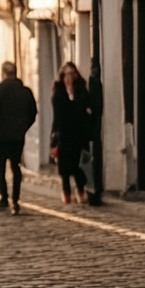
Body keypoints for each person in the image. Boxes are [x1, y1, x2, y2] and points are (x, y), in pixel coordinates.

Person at [0, 61, 38, 215]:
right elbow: (33, 113)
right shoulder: (25, 92)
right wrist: (23, 127)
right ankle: (16, 199)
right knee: (16, 167)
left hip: (0, 137)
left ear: (3, 73)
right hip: (17, 137)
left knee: (0, 168)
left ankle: (4, 198)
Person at [50, 61, 93, 205]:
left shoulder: (81, 90)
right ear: (62, 76)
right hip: (64, 134)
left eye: (71, 73)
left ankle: (80, 190)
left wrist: (88, 112)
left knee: (78, 165)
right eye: (66, 74)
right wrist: (54, 139)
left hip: (79, 134)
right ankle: (66, 192)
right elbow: (57, 117)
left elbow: (88, 108)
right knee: (64, 167)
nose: (68, 77)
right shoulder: (58, 92)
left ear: (75, 75)